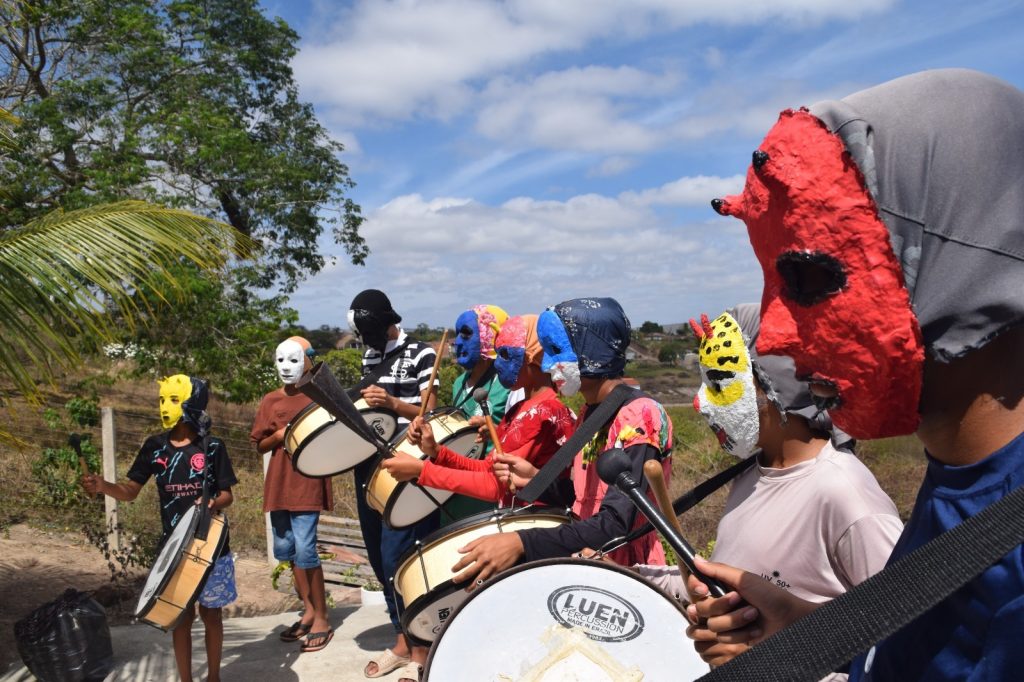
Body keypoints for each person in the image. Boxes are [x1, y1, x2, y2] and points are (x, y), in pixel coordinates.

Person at [688, 69, 1024, 680]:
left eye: (811, 278)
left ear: (957, 263)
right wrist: (809, 633)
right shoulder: (958, 481)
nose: (777, 338)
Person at [643, 305, 902, 674]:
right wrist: (630, 575)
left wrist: (776, 659)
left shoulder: (847, 495)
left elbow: (908, 639)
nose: (700, 402)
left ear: (777, 386)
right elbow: (723, 588)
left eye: (720, 382)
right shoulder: (752, 475)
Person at [448, 297, 674, 586]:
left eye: (556, 351)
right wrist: (535, 479)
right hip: (590, 558)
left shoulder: (639, 415)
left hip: (628, 570)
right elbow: (581, 497)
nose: (547, 364)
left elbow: (616, 522)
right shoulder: (590, 413)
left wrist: (522, 542)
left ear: (591, 350)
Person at [82, 375, 237, 682]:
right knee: (180, 617)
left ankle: (214, 677)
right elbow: (130, 491)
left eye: (173, 400)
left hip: (212, 547)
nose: (165, 406)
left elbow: (227, 495)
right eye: (162, 399)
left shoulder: (212, 446)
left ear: (192, 403)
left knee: (212, 615)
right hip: (173, 549)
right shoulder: (154, 447)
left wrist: (212, 502)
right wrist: (103, 486)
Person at [382, 314, 576, 508]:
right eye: (497, 354)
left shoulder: (544, 411)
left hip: (536, 520)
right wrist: (436, 450)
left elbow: (495, 486)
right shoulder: (521, 408)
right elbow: (488, 469)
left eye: (505, 354)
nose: (498, 364)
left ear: (533, 356)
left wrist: (422, 470)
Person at [347, 289, 439, 682]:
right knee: (378, 558)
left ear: (390, 322)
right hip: (369, 465)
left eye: (373, 333)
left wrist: (392, 403)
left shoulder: (421, 354)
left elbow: (431, 411)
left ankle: (422, 647)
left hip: (406, 466)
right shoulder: (370, 354)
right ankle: (401, 638)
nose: (369, 343)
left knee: (401, 555)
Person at [250, 336, 335, 652]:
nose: (286, 367)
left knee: (306, 550)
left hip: (307, 483)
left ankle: (322, 618)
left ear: (308, 360)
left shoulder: (319, 397)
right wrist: (278, 436)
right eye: (280, 359)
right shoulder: (270, 401)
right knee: (288, 550)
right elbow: (259, 444)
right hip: (280, 484)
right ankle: (309, 610)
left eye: (294, 359)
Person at [442, 304, 515, 520]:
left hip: (490, 486)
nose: (458, 342)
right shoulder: (458, 383)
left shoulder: (507, 384)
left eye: (466, 334)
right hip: (459, 483)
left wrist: (495, 429)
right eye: (457, 335)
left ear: (489, 338)